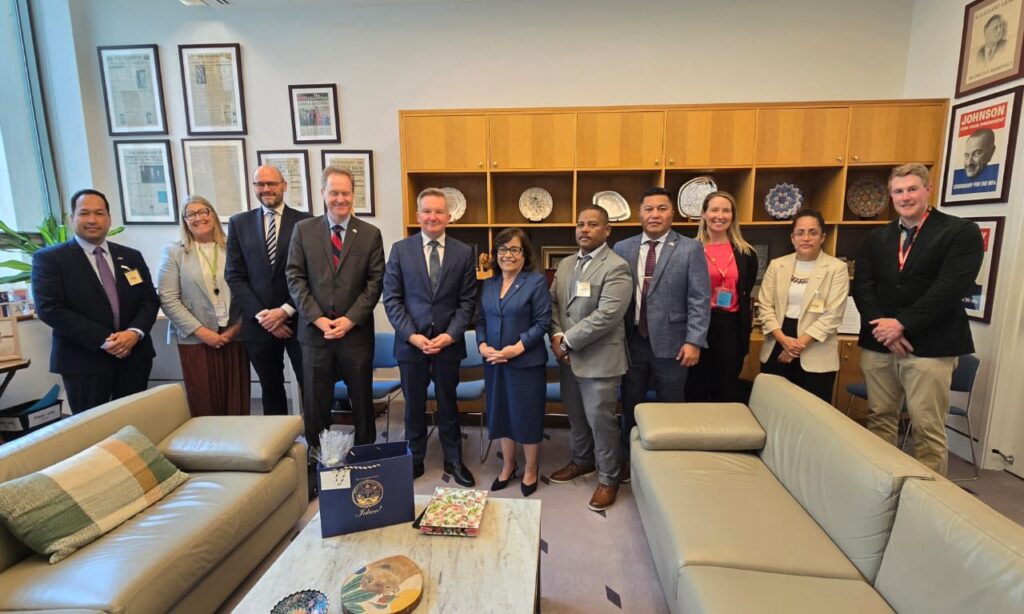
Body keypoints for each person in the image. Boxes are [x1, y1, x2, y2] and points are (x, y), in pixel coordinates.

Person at [853, 163, 983, 476]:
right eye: (898, 191)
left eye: (912, 189)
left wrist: (902, 325)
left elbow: (950, 288)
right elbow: (863, 286)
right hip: (880, 344)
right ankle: (880, 485)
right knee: (880, 419)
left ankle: (929, 497)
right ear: (891, 195)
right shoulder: (878, 237)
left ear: (928, 189)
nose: (905, 197)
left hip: (930, 347)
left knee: (927, 427)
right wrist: (883, 328)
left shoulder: (959, 232)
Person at [613, 187, 709, 481]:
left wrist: (694, 341)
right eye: (649, 209)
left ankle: (669, 463)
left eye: (662, 208)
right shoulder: (623, 248)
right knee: (631, 404)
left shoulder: (690, 248)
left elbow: (699, 298)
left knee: (671, 406)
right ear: (640, 214)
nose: (655, 214)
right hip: (632, 341)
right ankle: (629, 460)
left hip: (674, 343)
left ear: (672, 213)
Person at [32, 189, 159, 413]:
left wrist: (133, 333)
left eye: (99, 213)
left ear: (109, 218)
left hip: (133, 357)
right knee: (91, 427)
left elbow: (149, 300)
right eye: (84, 213)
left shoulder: (131, 257)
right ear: (72, 218)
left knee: (134, 422)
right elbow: (50, 308)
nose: (92, 219)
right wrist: (105, 340)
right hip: (83, 360)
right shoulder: (50, 259)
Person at [382, 188, 477, 487]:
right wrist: (412, 336)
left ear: (448, 216)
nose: (432, 217)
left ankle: (453, 459)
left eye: (439, 211)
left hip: (448, 345)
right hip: (411, 346)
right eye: (427, 211)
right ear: (418, 215)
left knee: (448, 404)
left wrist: (450, 336)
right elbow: (392, 299)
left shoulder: (464, 252)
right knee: (413, 406)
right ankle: (414, 458)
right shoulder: (400, 250)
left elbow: (467, 302)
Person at [287, 166, 385, 448]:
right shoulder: (303, 230)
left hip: (355, 335)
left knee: (362, 402)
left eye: (345, 193)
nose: (340, 199)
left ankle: (365, 455)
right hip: (314, 335)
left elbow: (375, 282)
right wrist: (317, 318)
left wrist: (350, 320)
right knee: (316, 403)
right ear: (323, 193)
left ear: (353, 195)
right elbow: (295, 277)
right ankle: (319, 457)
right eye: (334, 193)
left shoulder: (369, 234)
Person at [549, 205, 632, 511]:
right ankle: (582, 461)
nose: (584, 229)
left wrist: (567, 341)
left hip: (600, 360)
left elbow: (608, 315)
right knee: (576, 416)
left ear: (607, 230)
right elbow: (554, 304)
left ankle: (609, 478)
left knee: (601, 422)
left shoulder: (617, 266)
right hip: (568, 359)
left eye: (592, 224)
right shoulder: (566, 264)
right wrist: (557, 336)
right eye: (580, 224)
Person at [226, 165, 311, 416]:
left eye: (272, 183)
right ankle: (278, 439)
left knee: (310, 386)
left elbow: (313, 275)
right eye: (260, 184)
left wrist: (284, 311)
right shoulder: (239, 223)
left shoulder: (306, 222)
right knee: (270, 389)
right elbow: (234, 275)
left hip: (299, 320)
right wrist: (265, 317)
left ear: (284, 185)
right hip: (259, 324)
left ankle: (315, 437)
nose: (266, 189)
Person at [157, 195, 249, 417]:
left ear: (213, 215)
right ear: (184, 220)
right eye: (191, 214)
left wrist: (236, 328)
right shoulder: (174, 252)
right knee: (204, 402)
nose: (198, 218)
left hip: (234, 336)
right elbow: (168, 298)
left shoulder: (234, 247)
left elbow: (249, 291)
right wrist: (203, 333)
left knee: (236, 401)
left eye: (203, 211)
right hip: (196, 339)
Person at [477, 228, 551, 497]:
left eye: (514, 249)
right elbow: (481, 320)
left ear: (525, 254)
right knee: (501, 414)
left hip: (525, 363)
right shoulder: (489, 284)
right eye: (502, 249)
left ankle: (531, 468)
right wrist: (482, 346)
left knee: (526, 416)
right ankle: (508, 465)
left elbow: (542, 322)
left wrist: (516, 349)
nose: (507, 255)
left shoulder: (536, 282)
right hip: (494, 362)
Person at [757, 209, 849, 402]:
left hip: (815, 348)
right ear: (793, 238)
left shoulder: (837, 269)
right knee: (773, 406)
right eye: (800, 233)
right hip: (778, 341)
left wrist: (796, 346)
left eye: (812, 232)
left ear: (822, 237)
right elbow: (765, 306)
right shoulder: (777, 265)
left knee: (813, 411)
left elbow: (833, 315)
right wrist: (784, 341)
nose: (806, 238)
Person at [685, 191, 758, 403]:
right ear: (703, 214)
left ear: (733, 216)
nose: (720, 215)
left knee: (725, 389)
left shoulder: (746, 253)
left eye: (726, 210)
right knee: (695, 387)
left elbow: (745, 289)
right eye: (714, 210)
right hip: (698, 326)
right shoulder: (689, 250)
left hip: (731, 328)